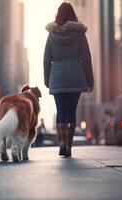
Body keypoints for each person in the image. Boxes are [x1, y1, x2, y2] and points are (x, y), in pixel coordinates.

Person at [44, 2, 94, 157]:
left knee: (61, 112)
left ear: (58, 15)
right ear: (73, 15)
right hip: (75, 77)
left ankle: (61, 144)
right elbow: (86, 58)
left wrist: (47, 80)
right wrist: (89, 80)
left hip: (57, 78)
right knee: (71, 113)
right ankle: (69, 147)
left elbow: (46, 59)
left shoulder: (52, 34)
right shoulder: (79, 34)